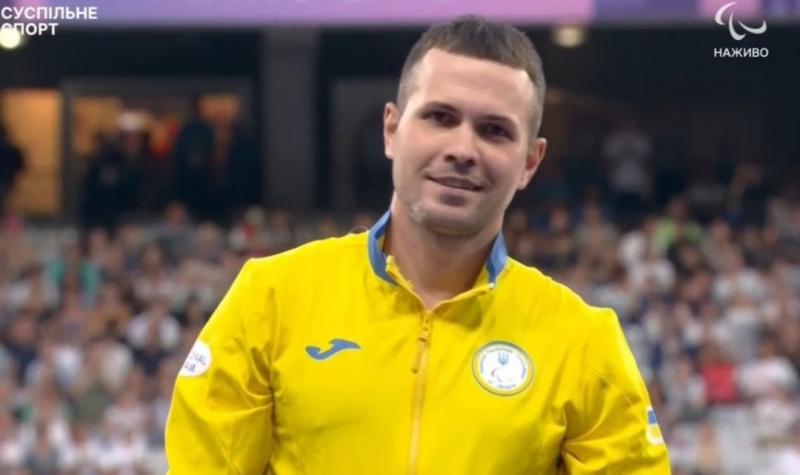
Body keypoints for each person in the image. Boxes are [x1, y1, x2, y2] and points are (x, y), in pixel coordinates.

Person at [165, 15, 670, 474]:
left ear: (530, 163)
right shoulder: (271, 300)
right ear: (392, 130)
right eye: (440, 117)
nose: (462, 149)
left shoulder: (583, 343)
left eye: (494, 131)